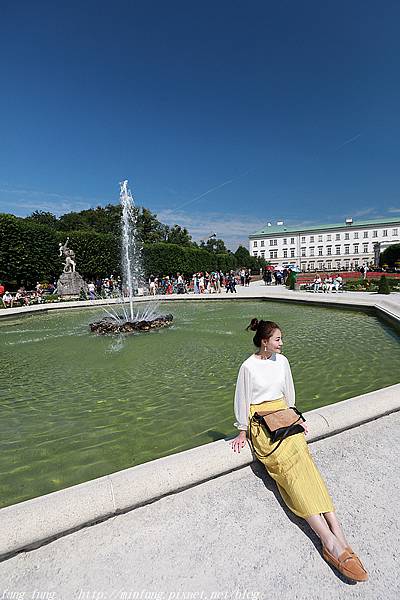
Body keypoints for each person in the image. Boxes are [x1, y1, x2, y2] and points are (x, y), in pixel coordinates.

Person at [231, 319, 368, 583]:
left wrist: (295, 416)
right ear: (264, 341)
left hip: (284, 417)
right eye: (278, 339)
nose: (282, 343)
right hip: (262, 424)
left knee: (305, 464)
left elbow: (289, 395)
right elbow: (242, 400)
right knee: (289, 469)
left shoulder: (282, 362)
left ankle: (338, 532)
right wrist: (241, 430)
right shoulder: (248, 367)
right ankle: (328, 540)